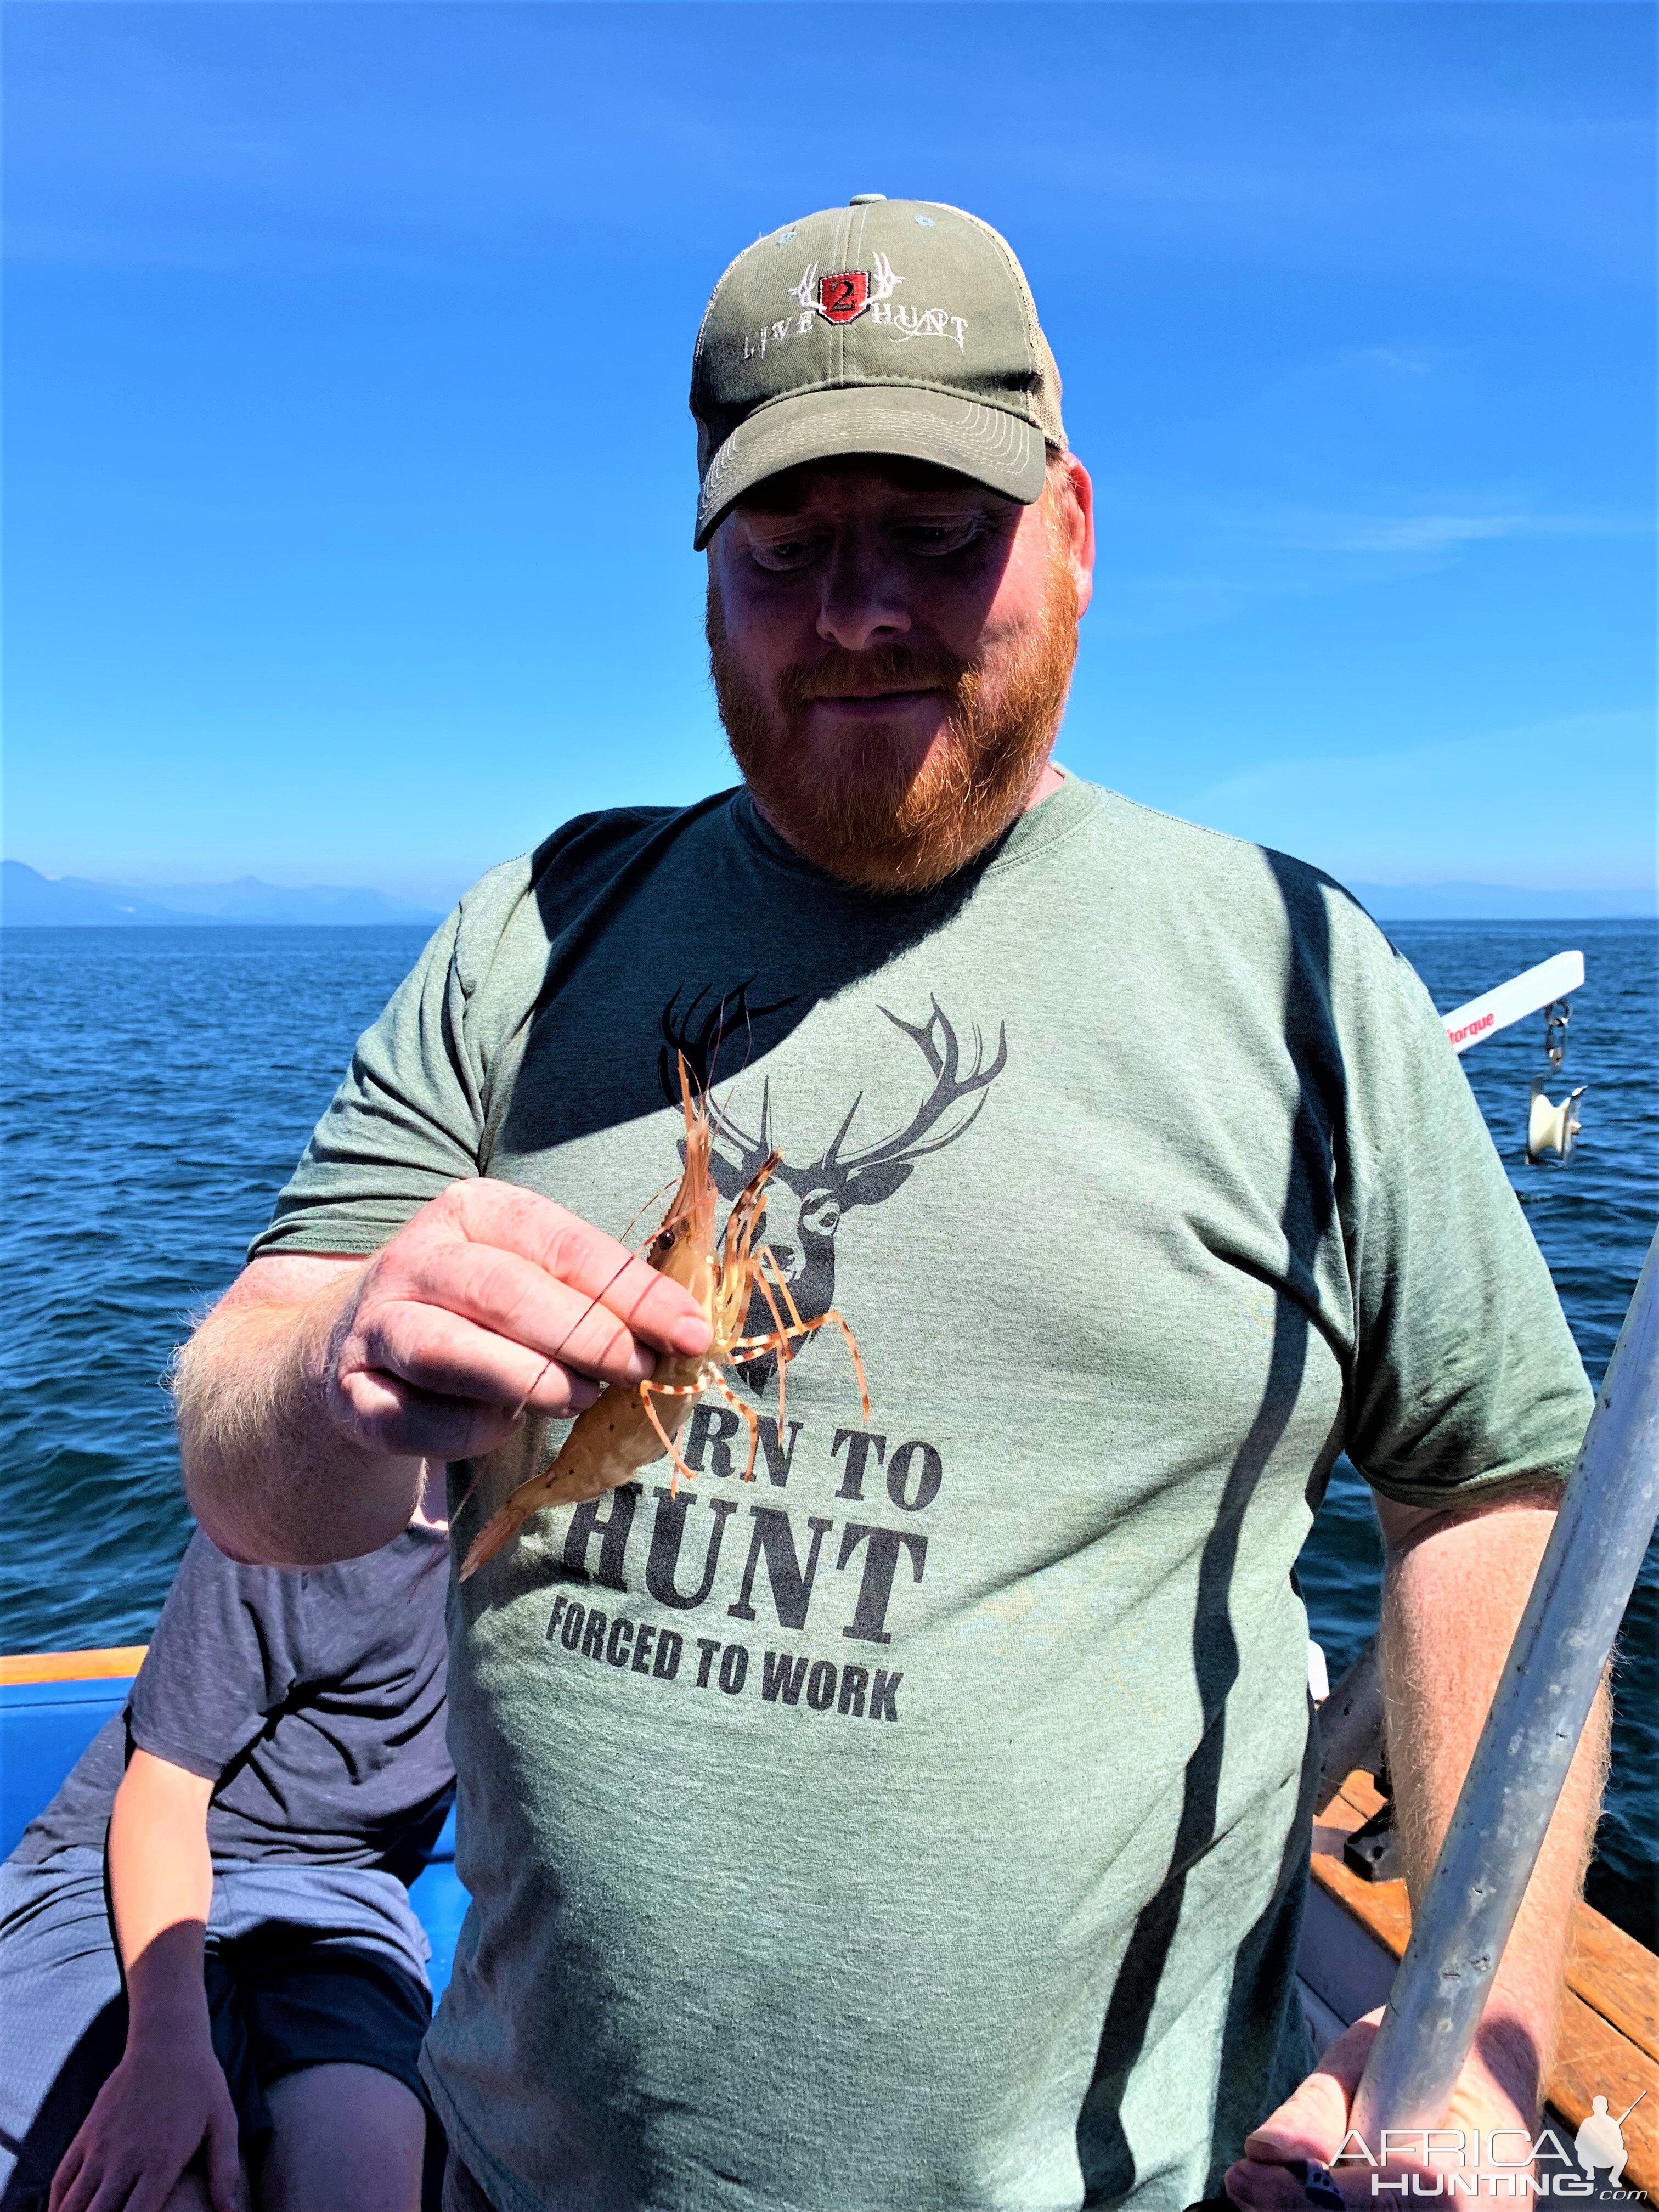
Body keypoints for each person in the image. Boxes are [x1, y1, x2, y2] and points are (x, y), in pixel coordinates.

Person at [168, 197, 1606, 2212]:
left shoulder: (1294, 973)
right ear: (705, 581)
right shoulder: (535, 931)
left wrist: (1485, 2026)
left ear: (1076, 531)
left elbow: (1488, 1495)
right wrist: (330, 1372)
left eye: (936, 534)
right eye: (787, 546)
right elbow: (253, 1469)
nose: (858, 612)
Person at [0, 1502, 453, 2212]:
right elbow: (163, 1791)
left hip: (338, 1891)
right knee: (157, 2187)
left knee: (360, 2184)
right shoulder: (300, 1499)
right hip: (110, 1874)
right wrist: (162, 2051)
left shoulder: (560, 1569)